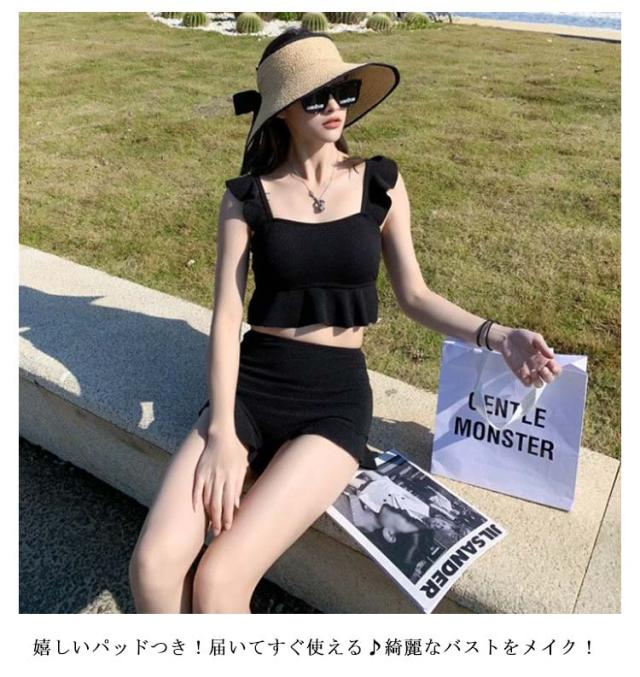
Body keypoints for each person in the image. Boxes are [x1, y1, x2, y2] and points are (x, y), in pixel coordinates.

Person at [128, 27, 562, 614]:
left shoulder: (380, 182)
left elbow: (415, 295)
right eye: (316, 97)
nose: (335, 106)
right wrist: (223, 433)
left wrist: (499, 335)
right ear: (282, 110)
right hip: (252, 389)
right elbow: (227, 317)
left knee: (219, 580)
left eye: (344, 91)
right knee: (153, 567)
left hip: (333, 400)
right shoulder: (246, 196)